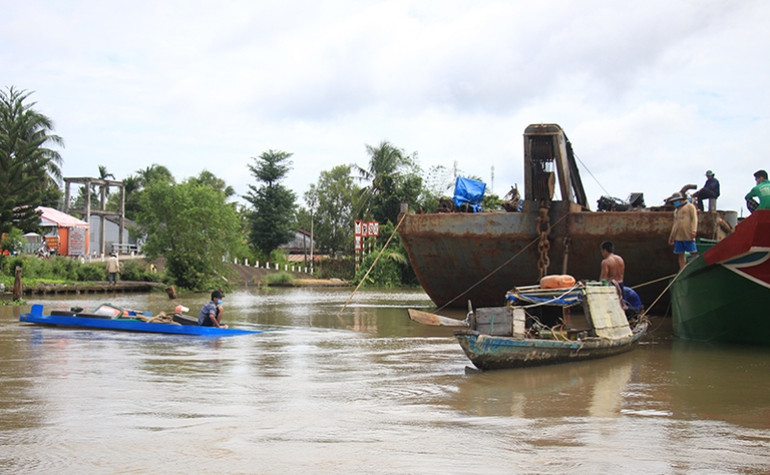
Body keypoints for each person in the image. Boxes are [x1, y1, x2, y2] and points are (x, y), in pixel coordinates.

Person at [668, 192, 698, 269]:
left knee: (693, 252)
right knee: (680, 254)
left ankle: (693, 268)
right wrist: (672, 236)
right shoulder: (676, 211)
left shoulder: (690, 207)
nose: (676, 203)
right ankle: (682, 269)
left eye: (677, 201)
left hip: (688, 233)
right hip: (678, 235)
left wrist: (694, 230)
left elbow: (694, 219)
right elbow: (675, 224)